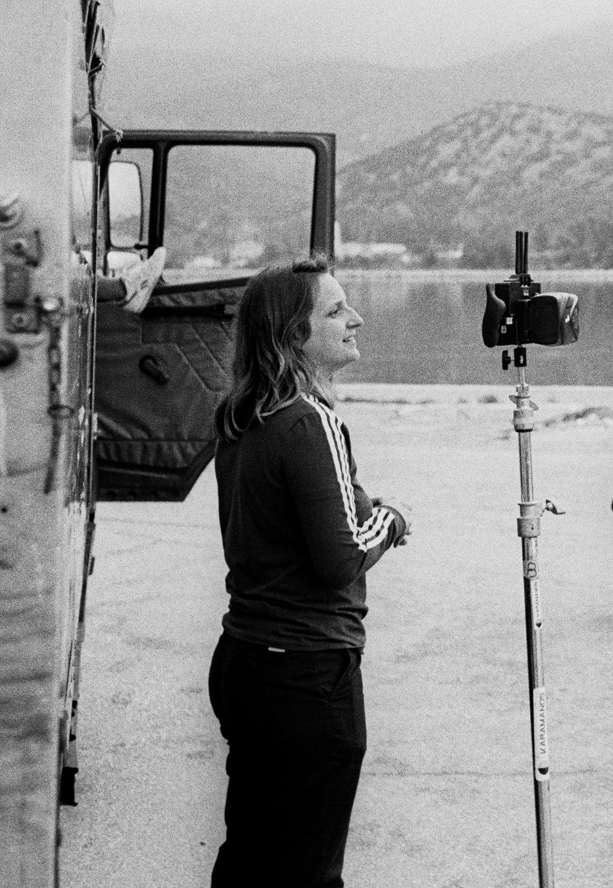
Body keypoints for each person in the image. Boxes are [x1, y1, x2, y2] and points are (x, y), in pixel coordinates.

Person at [207, 258, 410, 888]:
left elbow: (293, 527)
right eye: (336, 309)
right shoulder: (310, 421)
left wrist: (360, 511)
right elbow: (341, 558)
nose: (356, 318)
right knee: (306, 871)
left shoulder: (243, 416)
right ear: (294, 334)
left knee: (251, 857)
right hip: (307, 677)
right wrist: (392, 520)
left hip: (247, 661)